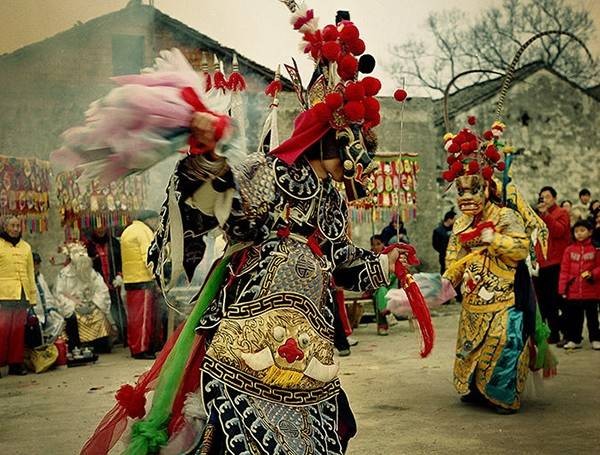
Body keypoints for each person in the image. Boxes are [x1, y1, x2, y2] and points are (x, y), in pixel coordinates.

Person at [442, 118, 553, 414]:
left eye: (472, 191)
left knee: (504, 340)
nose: (466, 198)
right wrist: (447, 278)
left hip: (504, 297)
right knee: (470, 345)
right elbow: (454, 254)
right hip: (473, 299)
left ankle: (501, 395)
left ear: (487, 189)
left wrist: (495, 239)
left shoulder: (505, 216)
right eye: (460, 192)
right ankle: (474, 390)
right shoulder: (463, 222)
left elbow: (520, 248)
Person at [55, 242, 114, 353]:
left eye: (83, 252)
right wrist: (73, 305)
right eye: (77, 252)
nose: (81, 255)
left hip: (91, 304)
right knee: (73, 319)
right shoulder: (64, 274)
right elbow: (60, 294)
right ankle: (78, 346)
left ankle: (100, 344)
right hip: (75, 307)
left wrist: (94, 303)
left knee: (99, 315)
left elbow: (101, 289)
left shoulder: (91, 272)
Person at [120, 210, 161, 360]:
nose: (157, 224)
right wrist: (157, 278)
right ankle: (142, 349)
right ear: (149, 220)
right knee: (143, 318)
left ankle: (135, 347)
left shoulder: (128, 230)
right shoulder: (144, 232)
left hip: (131, 280)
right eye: (156, 220)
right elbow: (149, 257)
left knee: (134, 318)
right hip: (142, 279)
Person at [534, 186, 571, 345]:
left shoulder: (561, 212)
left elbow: (558, 231)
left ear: (554, 198)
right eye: (542, 197)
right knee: (542, 302)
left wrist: (546, 215)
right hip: (540, 264)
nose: (545, 200)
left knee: (556, 301)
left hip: (555, 263)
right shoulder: (538, 216)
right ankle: (548, 332)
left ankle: (562, 333)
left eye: (547, 197)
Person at [0, 215, 36, 376]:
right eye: (12, 226)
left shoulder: (26, 247)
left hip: (22, 293)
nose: (15, 229)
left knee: (17, 331)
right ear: (5, 227)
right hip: (4, 294)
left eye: (17, 226)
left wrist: (32, 298)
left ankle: (16, 364)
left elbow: (30, 274)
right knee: (3, 330)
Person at [558, 220, 600, 350]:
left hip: (591, 290)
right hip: (574, 291)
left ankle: (595, 338)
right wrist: (562, 289)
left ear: (590, 232)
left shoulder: (596, 248)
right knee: (575, 318)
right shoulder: (569, 250)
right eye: (576, 231)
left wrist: (593, 274)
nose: (579, 234)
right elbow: (564, 270)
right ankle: (575, 339)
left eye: (582, 231)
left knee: (592, 317)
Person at [85, 225, 125, 344]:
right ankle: (104, 338)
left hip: (113, 282)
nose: (100, 230)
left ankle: (123, 334)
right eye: (97, 228)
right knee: (101, 310)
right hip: (98, 284)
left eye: (102, 227)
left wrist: (119, 275)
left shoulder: (113, 242)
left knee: (117, 309)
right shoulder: (89, 246)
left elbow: (121, 260)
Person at [432, 210, 456, 274]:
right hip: (443, 256)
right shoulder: (438, 231)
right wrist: (443, 250)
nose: (455, 221)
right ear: (449, 219)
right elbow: (435, 245)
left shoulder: (454, 230)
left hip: (453, 255)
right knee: (444, 272)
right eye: (454, 219)